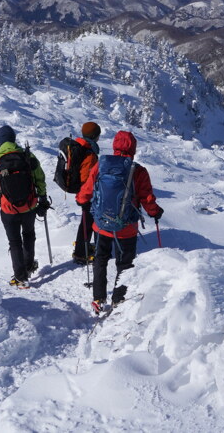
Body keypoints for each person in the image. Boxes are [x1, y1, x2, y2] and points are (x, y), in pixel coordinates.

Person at [77, 130, 163, 312]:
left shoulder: (101, 165)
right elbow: (146, 198)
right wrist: (155, 212)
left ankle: (98, 298)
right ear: (133, 148)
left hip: (101, 225)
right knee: (124, 264)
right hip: (127, 228)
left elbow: (87, 190)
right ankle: (119, 299)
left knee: (100, 259)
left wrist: (81, 200)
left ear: (115, 145)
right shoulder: (138, 170)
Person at [0, 125, 50, 288]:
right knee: (29, 234)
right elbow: (40, 179)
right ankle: (28, 266)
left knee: (14, 242)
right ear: (13, 139)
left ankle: (20, 277)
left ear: (0, 142)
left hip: (8, 209)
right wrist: (42, 199)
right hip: (28, 206)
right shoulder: (28, 156)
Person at [70, 122, 101, 265]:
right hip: (87, 195)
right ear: (95, 136)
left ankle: (84, 248)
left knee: (87, 221)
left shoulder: (81, 147)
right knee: (88, 223)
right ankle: (81, 254)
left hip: (84, 194)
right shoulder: (89, 153)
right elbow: (86, 178)